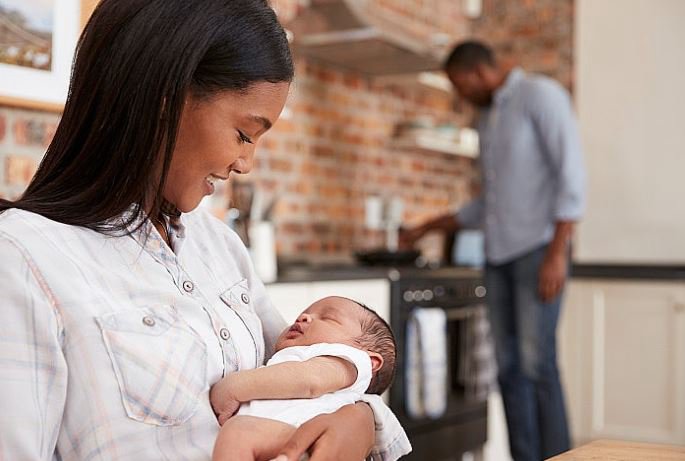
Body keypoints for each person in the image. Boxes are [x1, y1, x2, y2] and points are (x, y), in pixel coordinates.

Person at [0, 1, 410, 460]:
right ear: (164, 100)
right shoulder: (24, 257)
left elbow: (321, 370)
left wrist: (360, 420)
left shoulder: (219, 246)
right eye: (244, 134)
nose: (246, 164)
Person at [400, 41, 585, 461]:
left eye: (458, 86)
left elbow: (572, 179)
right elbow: (489, 204)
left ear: (476, 74)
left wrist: (557, 253)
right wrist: (425, 227)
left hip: (539, 252)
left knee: (538, 366)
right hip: (498, 258)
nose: (459, 95)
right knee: (509, 371)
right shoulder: (488, 120)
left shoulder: (540, 96)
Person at [211, 296, 397, 461]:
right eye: (303, 314)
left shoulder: (350, 360)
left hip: (310, 444)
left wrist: (233, 387)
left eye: (328, 318)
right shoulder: (285, 359)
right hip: (280, 443)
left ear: (371, 362)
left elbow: (312, 380)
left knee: (238, 433)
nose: (304, 317)